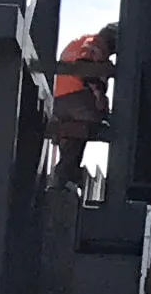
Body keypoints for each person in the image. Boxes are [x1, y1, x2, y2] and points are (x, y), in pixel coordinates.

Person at [48, 23, 116, 181]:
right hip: (77, 96)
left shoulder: (79, 41)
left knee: (73, 138)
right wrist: (99, 95)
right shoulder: (96, 43)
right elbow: (85, 65)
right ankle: (65, 174)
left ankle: (65, 176)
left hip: (58, 99)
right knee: (106, 124)